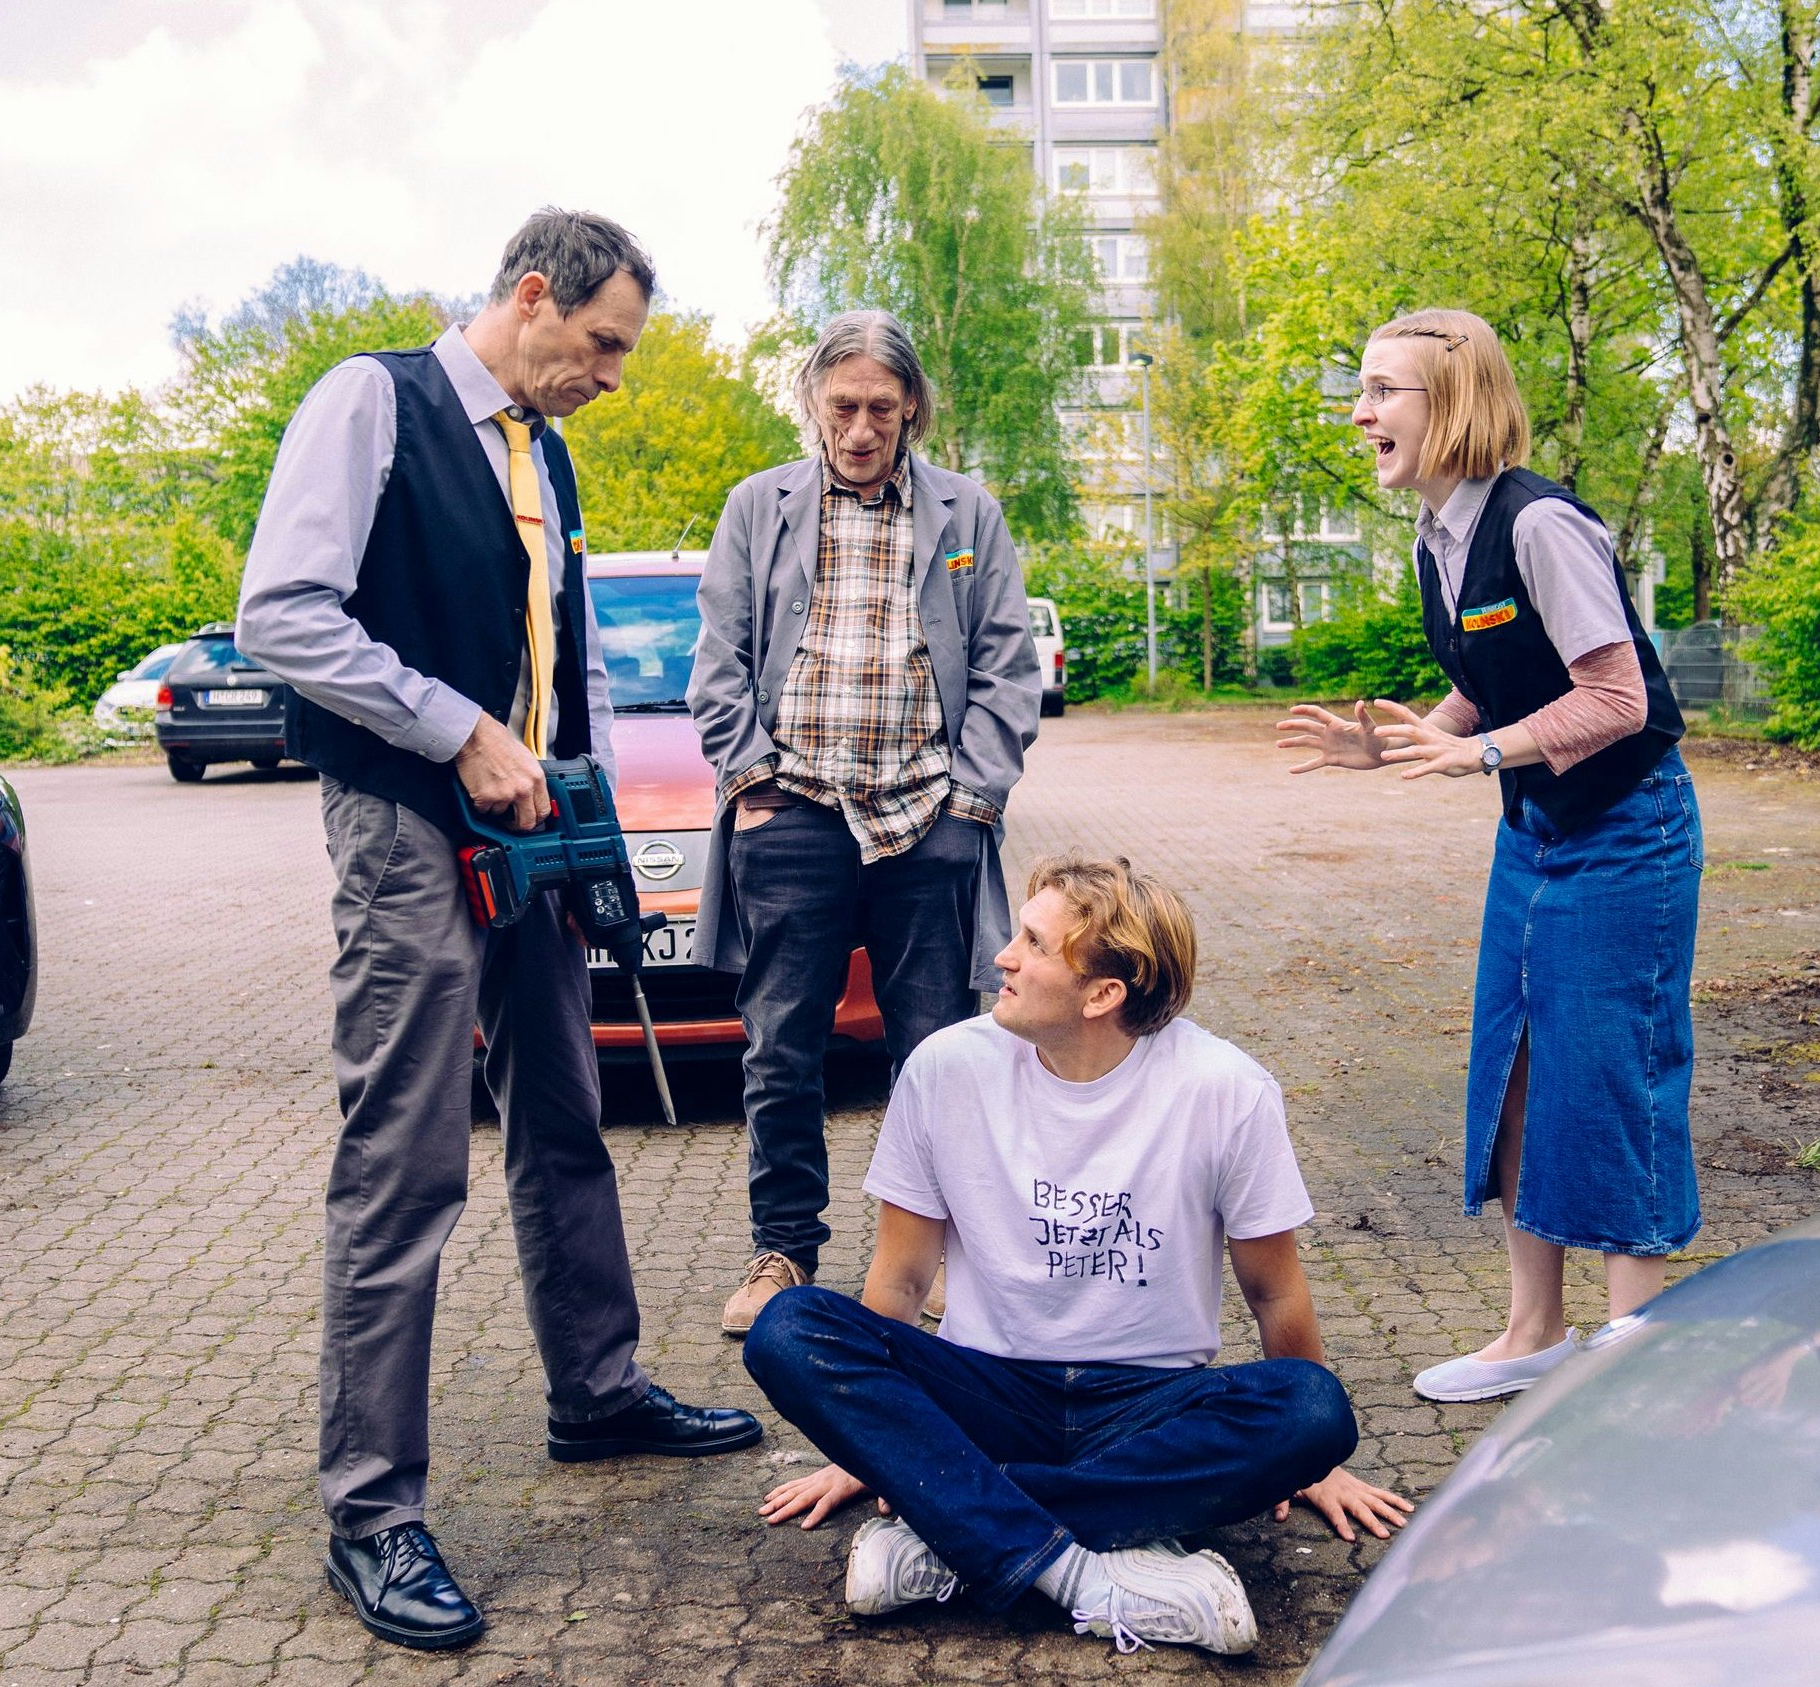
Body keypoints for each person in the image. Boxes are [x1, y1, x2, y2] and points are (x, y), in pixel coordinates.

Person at [235, 208, 760, 1653]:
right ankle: (371, 1509)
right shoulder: (372, 401)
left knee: (568, 1117)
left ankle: (596, 1392)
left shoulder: (548, 449)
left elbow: (552, 650)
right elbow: (280, 614)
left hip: (536, 832)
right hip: (410, 826)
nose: (612, 372)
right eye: (602, 342)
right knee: (404, 1158)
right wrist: (459, 730)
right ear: (534, 296)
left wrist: (573, 790)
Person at [742, 857, 1413, 1656]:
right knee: (789, 1326)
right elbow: (903, 1276)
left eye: (1033, 942)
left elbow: (1274, 1292)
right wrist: (868, 1441)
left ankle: (951, 1526)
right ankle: (1085, 1574)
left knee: (1314, 1410)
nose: (1003, 956)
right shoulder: (946, 1068)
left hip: (1148, 1405)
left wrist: (1317, 1467)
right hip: (987, 1391)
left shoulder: (1225, 1088)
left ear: (1103, 995)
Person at [1278, 307, 1703, 1405]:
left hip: (1627, 831)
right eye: (1359, 390)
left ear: (1452, 404)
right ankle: (1533, 1332)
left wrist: (1481, 757)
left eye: (1382, 391)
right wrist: (1411, 739)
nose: (1360, 412)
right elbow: (1501, 676)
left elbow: (1616, 696)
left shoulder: (1540, 524)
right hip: (1538, 831)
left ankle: (1637, 1340)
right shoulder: (1438, 532)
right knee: (1514, 1067)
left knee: (1605, 1072)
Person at [688, 309, 1042, 1335]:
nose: (860, 429)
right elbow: (717, 661)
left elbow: (1010, 665)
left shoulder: (967, 512)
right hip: (792, 807)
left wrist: (973, 799)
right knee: (780, 1047)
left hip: (928, 810)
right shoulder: (759, 506)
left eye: (882, 409)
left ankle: (931, 1261)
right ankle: (782, 1257)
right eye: (842, 406)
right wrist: (751, 777)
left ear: (913, 411)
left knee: (936, 1048)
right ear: (812, 404)